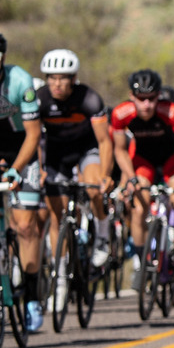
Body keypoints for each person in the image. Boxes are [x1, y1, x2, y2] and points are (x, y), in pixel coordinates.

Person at [33, 49, 115, 316]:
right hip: (56, 156)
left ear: (74, 79)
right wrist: (40, 169)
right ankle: (59, 281)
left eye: (63, 78)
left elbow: (104, 141)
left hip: (86, 151)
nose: (57, 84)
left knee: (93, 187)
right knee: (57, 217)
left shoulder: (89, 98)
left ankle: (102, 233)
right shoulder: (40, 99)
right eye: (52, 78)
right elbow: (33, 138)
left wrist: (105, 175)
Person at [111, 69, 174, 292]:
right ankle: (141, 261)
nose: (146, 105)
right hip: (144, 161)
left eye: (151, 99)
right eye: (141, 99)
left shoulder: (171, 111)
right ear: (131, 96)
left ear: (159, 95)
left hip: (173, 160)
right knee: (138, 208)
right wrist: (130, 178)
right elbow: (120, 151)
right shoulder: (121, 114)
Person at [0, 36, 48, 331]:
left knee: (26, 227)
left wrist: (15, 168)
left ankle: (31, 296)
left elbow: (33, 133)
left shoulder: (20, 79)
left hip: (22, 152)